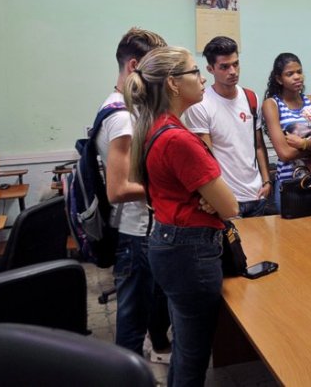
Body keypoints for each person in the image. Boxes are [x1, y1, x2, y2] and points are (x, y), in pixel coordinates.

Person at [125, 46, 239, 387]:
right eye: (194, 72)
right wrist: (212, 201)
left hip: (169, 241)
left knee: (186, 350)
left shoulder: (156, 127)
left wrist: (208, 199)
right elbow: (230, 206)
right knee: (193, 355)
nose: (202, 78)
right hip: (189, 252)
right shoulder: (179, 140)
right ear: (173, 84)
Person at [94, 27, 172, 362]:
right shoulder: (122, 117)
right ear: (135, 66)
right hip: (135, 234)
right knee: (131, 323)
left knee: (148, 310)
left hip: (143, 231)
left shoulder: (126, 108)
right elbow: (118, 189)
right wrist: (169, 186)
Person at [184, 36, 272, 217]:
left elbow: (258, 145)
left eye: (236, 64)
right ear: (210, 69)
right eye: (224, 67)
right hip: (228, 198)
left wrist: (266, 181)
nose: (232, 71)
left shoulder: (251, 97)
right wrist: (216, 196)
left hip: (257, 195)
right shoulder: (200, 104)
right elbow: (205, 157)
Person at [261, 52, 311, 213]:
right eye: (290, 74)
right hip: (290, 184)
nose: (297, 77)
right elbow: (285, 154)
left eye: (299, 72)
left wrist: (303, 143)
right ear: (279, 79)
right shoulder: (272, 105)